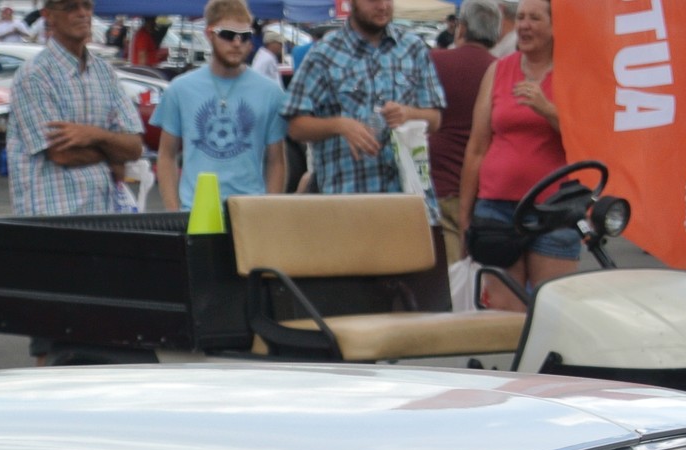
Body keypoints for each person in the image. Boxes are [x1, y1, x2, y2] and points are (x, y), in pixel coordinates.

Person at [458, 0, 567, 312]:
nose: (524, 26)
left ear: (555, 26)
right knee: (505, 317)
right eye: (520, 18)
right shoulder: (498, 70)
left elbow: (587, 138)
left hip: (552, 209)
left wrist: (547, 110)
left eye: (535, 18)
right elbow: (477, 147)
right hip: (497, 207)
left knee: (551, 313)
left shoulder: (571, 73)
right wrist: (466, 215)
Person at [283, 0, 444, 203]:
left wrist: (409, 114)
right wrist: (339, 125)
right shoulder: (324, 54)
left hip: (409, 198)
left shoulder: (413, 48)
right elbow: (295, 127)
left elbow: (435, 119)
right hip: (347, 202)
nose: (382, 6)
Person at [8, 0, 144, 217]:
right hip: (52, 219)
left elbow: (134, 147)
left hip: (103, 215)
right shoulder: (34, 75)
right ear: (48, 16)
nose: (82, 13)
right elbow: (62, 154)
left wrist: (95, 135)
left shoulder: (104, 73)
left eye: (87, 6)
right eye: (70, 7)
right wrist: (112, 154)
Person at [152, 0, 285, 210]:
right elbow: (166, 155)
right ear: (209, 34)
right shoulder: (180, 89)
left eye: (245, 36)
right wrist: (173, 211)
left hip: (249, 211)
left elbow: (276, 160)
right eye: (228, 34)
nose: (237, 43)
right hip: (195, 211)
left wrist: (269, 211)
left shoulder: (270, 92)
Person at [430, 0, 498, 268]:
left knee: (446, 276)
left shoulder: (435, 61)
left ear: (462, 28)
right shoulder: (501, 70)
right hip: (484, 189)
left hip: (439, 181)